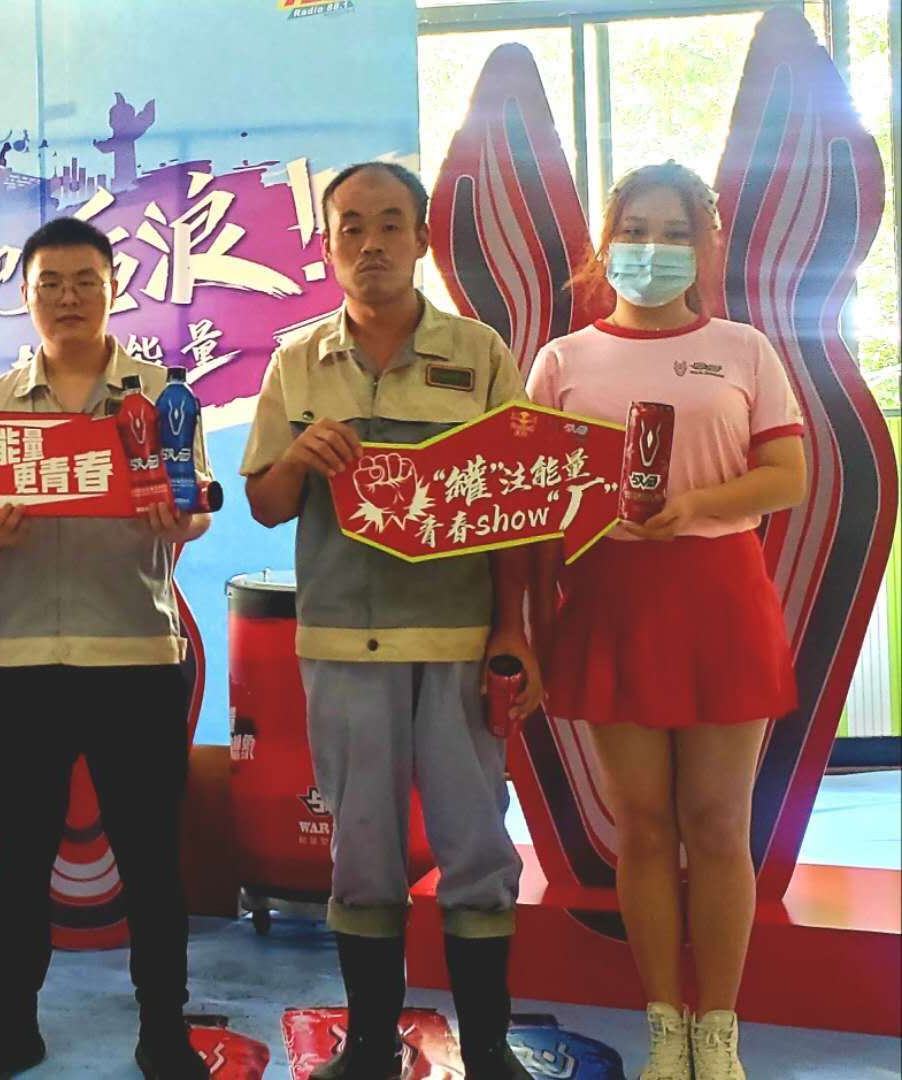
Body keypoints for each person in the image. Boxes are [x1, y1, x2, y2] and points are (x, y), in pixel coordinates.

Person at [241, 162, 539, 1080]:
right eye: (351, 228)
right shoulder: (298, 363)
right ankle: (369, 1047)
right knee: (362, 854)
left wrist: (513, 631)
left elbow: (517, 503)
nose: (370, 244)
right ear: (328, 246)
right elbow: (264, 505)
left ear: (421, 239)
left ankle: (486, 1049)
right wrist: (300, 456)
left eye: (389, 225)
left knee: (476, 847)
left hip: (457, 641)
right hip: (342, 643)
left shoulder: (479, 354)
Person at [526, 162, 806, 1080]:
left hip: (720, 597)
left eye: (675, 232)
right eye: (637, 231)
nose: (654, 249)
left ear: (705, 244)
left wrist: (693, 507)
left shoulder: (743, 349)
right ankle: (664, 1029)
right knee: (643, 827)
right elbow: (536, 496)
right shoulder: (563, 360)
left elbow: (787, 478)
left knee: (718, 825)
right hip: (611, 601)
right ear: (607, 245)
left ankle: (717, 1031)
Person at [0, 216, 213, 1080]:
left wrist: (180, 517)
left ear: (112, 289)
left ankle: (163, 1027)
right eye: (50, 284)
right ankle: (12, 1023)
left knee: (151, 857)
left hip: (136, 655)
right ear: (24, 297)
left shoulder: (162, 398)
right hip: (22, 661)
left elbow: (198, 505)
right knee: (19, 860)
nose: (68, 298)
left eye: (85, 281)